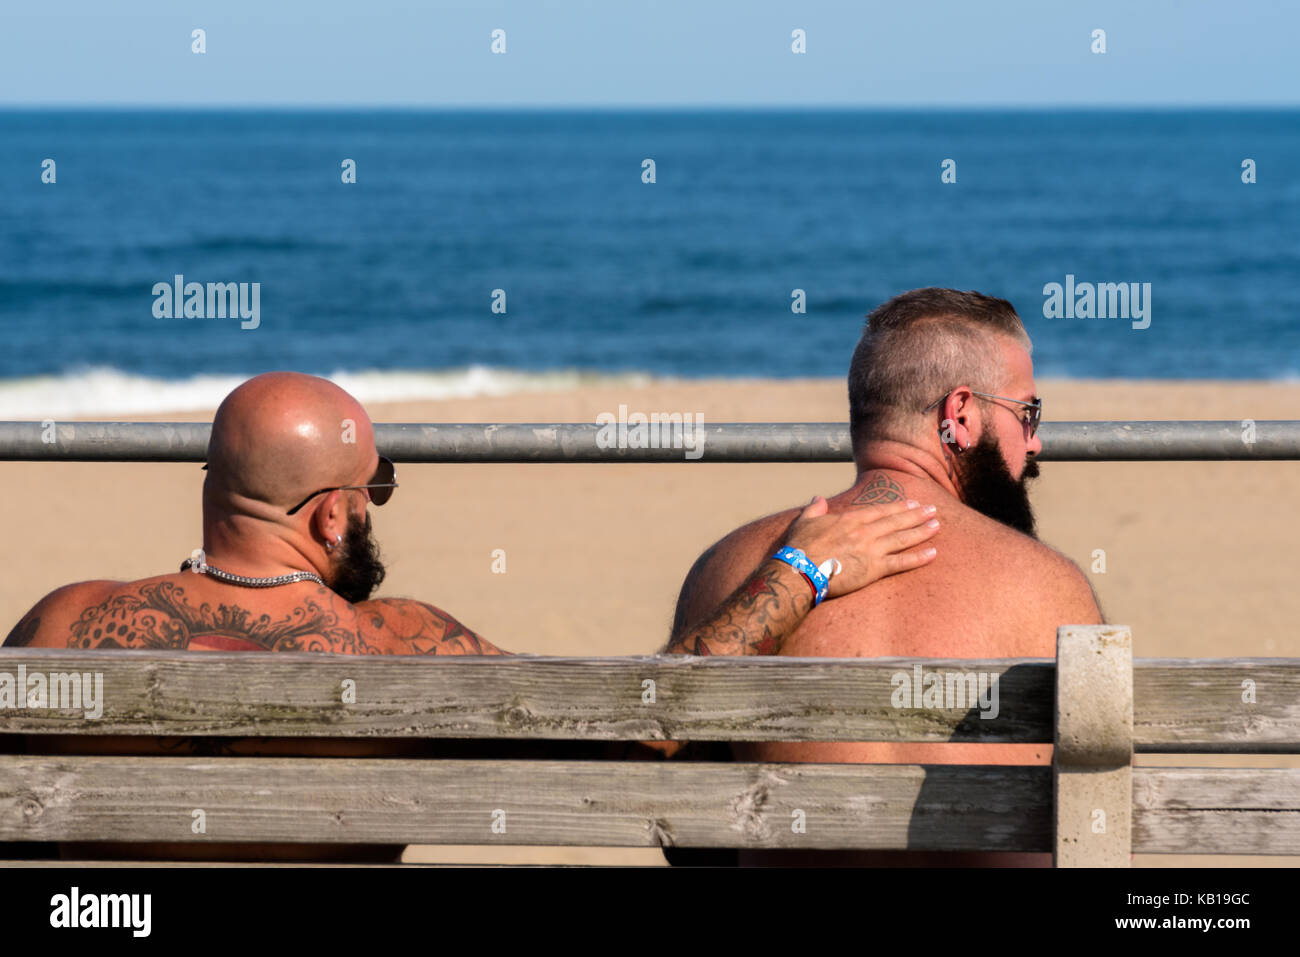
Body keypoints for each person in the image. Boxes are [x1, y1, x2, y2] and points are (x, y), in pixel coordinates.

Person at [2, 371, 938, 863]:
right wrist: (804, 569)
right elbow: (648, 725)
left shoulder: (65, 622)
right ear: (332, 511)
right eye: (373, 490)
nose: (370, 509)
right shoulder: (400, 644)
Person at [667, 288, 1104, 866]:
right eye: (1027, 413)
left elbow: (687, 838)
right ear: (961, 415)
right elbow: (1095, 822)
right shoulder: (1051, 587)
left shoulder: (731, 566)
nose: (1035, 441)